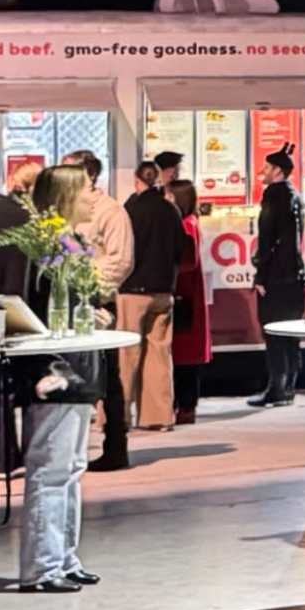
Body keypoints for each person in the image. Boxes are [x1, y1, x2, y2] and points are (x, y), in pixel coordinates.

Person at [0, 168, 101, 592]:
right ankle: (42, 568)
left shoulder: (68, 243)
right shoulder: (39, 247)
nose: (93, 196)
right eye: (86, 189)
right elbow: (26, 315)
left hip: (80, 372)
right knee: (50, 470)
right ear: (65, 195)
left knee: (71, 469)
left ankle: (64, 559)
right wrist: (43, 371)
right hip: (55, 373)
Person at [66, 149, 133, 470]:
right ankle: (72, 446)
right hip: (67, 305)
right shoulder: (64, 209)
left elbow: (120, 260)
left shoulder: (111, 211)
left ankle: (116, 445)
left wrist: (89, 287)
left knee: (107, 375)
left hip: (97, 304)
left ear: (88, 174)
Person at [116, 158, 187, 434]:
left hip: (133, 291)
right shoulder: (171, 210)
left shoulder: (130, 209)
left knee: (126, 355)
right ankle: (158, 417)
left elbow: (124, 250)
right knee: (159, 354)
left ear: (137, 181)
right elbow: (181, 250)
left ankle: (118, 416)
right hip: (164, 291)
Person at [252, 145, 305, 406]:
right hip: (295, 275)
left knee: (273, 332)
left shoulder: (272, 195)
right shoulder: (295, 196)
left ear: (277, 170)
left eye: (265, 168)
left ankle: (276, 388)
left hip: (276, 277)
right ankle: (289, 388)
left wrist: (261, 275)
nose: (261, 172)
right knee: (291, 334)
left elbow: (267, 240)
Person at [168, 171, 211, 422]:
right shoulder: (188, 222)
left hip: (186, 295)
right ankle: (184, 406)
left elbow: (189, 261)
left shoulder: (186, 225)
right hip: (188, 293)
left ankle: (186, 407)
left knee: (185, 356)